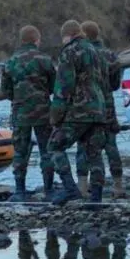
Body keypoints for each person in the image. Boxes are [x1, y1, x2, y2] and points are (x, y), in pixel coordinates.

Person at [48, 20, 108, 205]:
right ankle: (96, 198)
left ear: (67, 35)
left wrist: (56, 116)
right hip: (98, 108)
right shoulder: (96, 51)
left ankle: (70, 189)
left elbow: (64, 87)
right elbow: (105, 81)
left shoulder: (69, 52)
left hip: (79, 110)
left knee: (54, 147)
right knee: (94, 153)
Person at [0, 25, 56, 202]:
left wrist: (18, 98)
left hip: (20, 112)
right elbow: (53, 86)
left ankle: (20, 191)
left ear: (21, 40)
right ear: (36, 40)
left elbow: (5, 90)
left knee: (20, 152)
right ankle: (48, 190)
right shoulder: (45, 60)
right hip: (43, 111)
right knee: (46, 150)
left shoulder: (11, 62)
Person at [82, 21, 125, 197]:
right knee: (111, 145)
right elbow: (115, 85)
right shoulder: (111, 55)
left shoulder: (82, 54)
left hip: (86, 106)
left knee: (86, 146)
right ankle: (118, 186)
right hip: (108, 104)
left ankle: (84, 187)